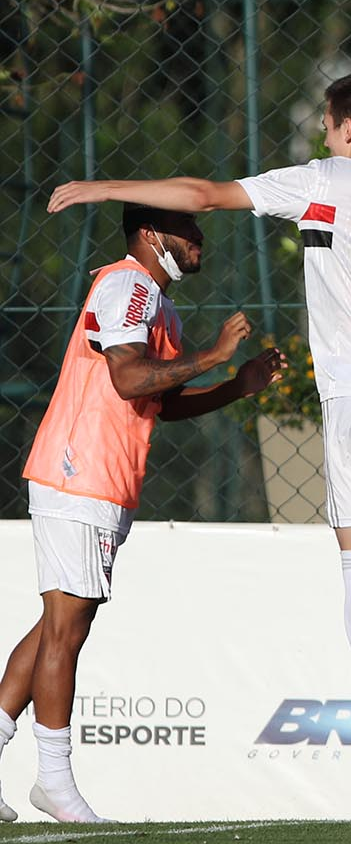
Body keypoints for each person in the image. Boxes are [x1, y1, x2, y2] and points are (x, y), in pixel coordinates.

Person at [49, 71, 351, 800]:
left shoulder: (325, 179)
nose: (323, 135)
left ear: (348, 128)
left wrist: (100, 189)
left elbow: (203, 195)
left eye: (326, 124)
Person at [0, 204, 284, 823]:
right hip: (80, 474)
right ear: (155, 236)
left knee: (57, 623)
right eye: (188, 229)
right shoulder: (128, 284)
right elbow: (129, 379)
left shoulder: (158, 301)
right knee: (65, 630)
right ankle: (54, 780)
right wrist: (213, 356)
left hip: (100, 479)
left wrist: (237, 384)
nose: (200, 238)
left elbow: (161, 402)